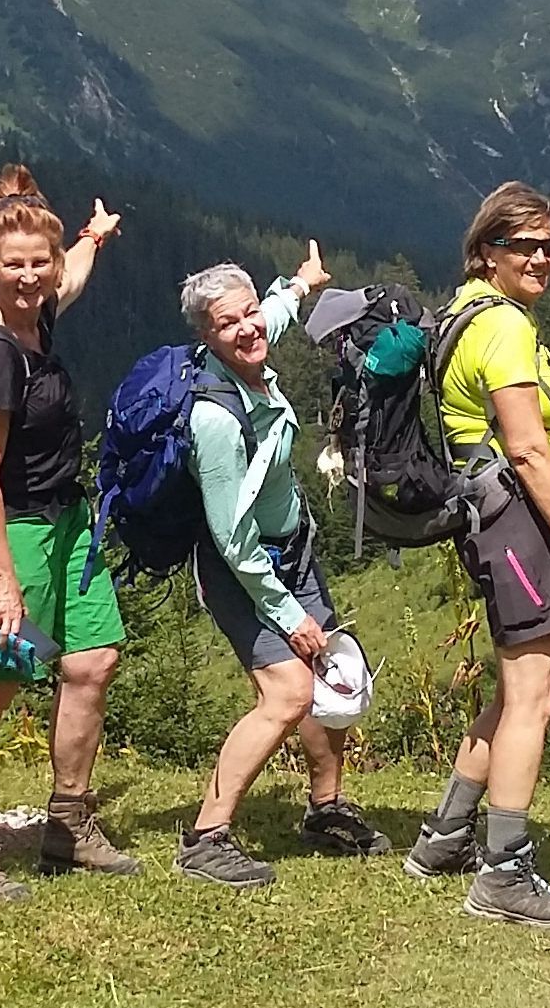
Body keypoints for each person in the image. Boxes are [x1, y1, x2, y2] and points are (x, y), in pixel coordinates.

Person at [403, 182, 550, 929]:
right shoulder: (505, 328)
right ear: (487, 250)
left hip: (490, 519)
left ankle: (444, 836)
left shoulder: (462, 313)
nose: (543, 257)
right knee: (534, 694)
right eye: (525, 245)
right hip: (518, 518)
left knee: (516, 683)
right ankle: (504, 872)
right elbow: (525, 443)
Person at [0, 165, 135, 901]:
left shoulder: (38, 311)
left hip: (66, 520)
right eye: (12, 265)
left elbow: (70, 279)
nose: (29, 276)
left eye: (37, 263)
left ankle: (68, 822)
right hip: (11, 530)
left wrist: (91, 237)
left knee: (91, 659)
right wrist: (1, 578)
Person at [173, 246, 393, 888]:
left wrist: (299, 283)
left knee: (326, 671)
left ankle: (325, 809)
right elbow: (232, 537)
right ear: (205, 336)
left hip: (292, 546)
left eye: (247, 315)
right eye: (227, 324)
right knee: (288, 694)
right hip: (247, 567)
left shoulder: (252, 339)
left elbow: (274, 313)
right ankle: (206, 836)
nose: (247, 329)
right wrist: (289, 614)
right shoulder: (214, 418)